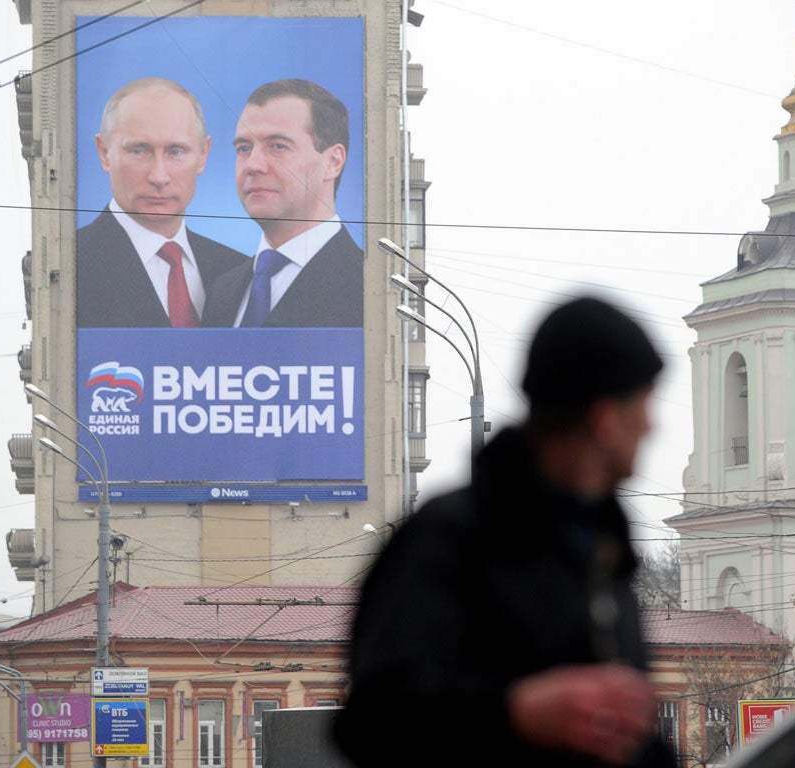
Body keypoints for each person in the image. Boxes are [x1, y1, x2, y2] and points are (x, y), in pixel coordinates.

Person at [334, 296, 676, 767]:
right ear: (605, 420)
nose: (651, 425)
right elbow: (372, 723)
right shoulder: (447, 538)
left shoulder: (603, 548)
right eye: (643, 403)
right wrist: (512, 712)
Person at [76, 78, 247, 328]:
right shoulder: (69, 265)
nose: (159, 176)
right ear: (104, 153)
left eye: (176, 151)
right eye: (139, 150)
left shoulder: (240, 273)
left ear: (203, 154)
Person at [201, 79, 363, 328]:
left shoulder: (368, 286)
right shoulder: (223, 290)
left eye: (277, 146)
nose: (253, 164)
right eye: (244, 148)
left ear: (333, 162)